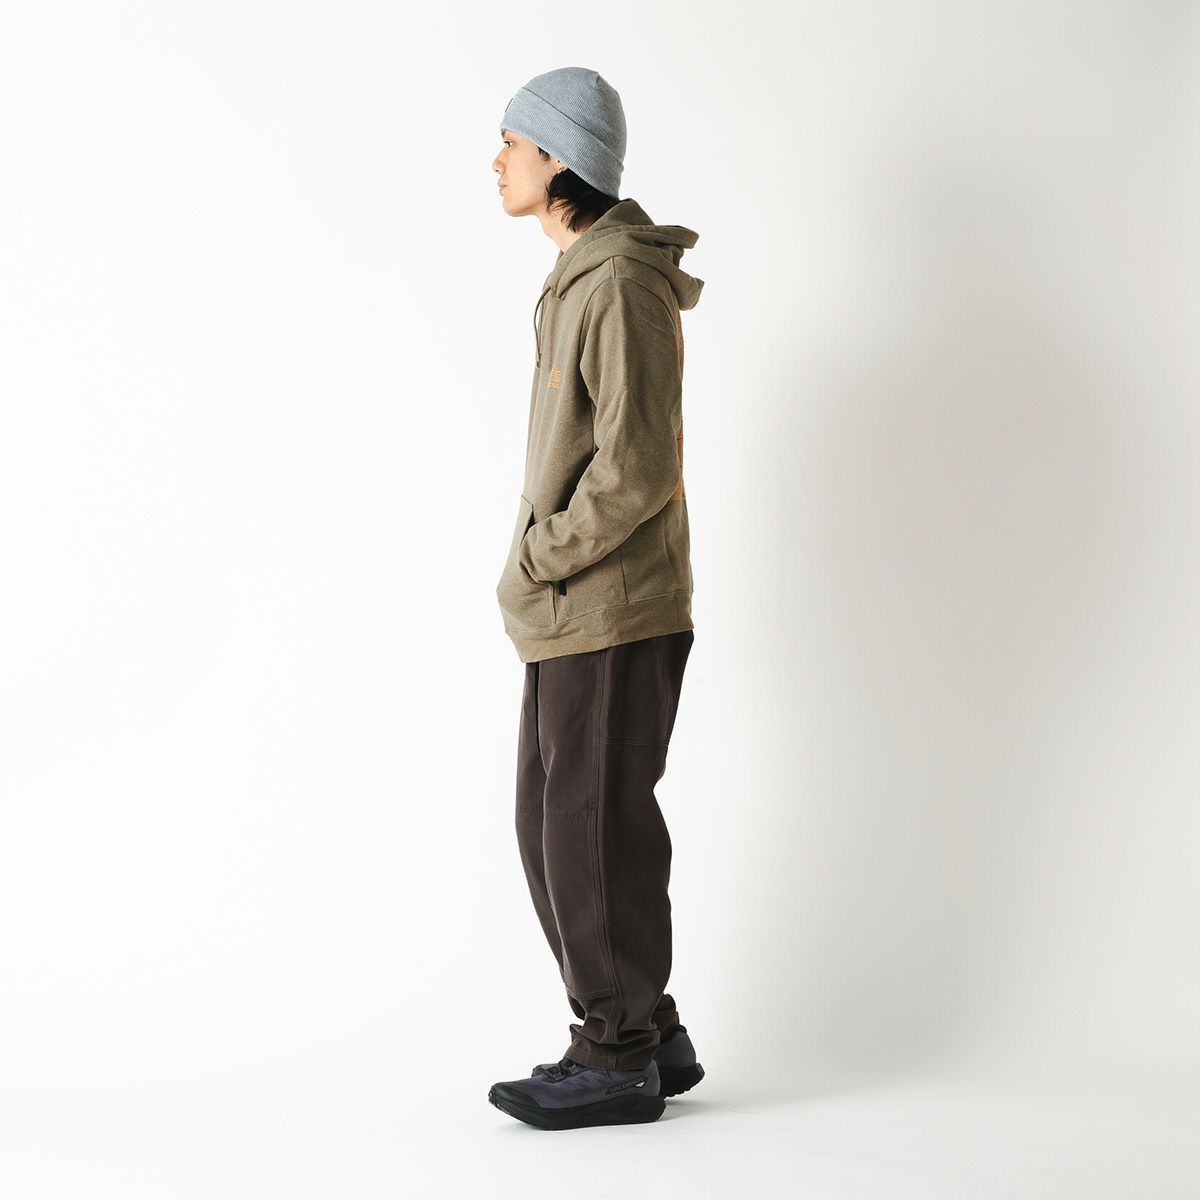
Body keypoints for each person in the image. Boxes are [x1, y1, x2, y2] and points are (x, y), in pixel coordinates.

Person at [487, 66, 707, 1131]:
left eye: (513, 143)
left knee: (584, 830)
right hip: (577, 608)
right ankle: (649, 1032)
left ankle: (615, 1054)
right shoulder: (582, 273)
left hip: (609, 603)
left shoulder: (616, 281)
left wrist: (542, 556)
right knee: (559, 824)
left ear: (560, 156)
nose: (497, 161)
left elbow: (636, 464)